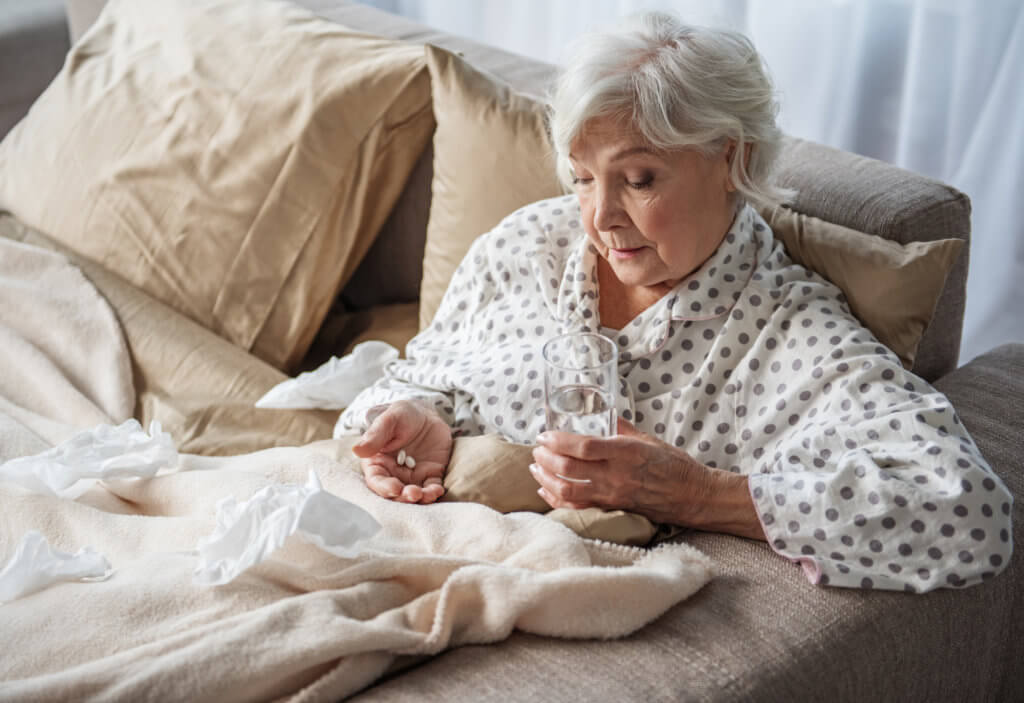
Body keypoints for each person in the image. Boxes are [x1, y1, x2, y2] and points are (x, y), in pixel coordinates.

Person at [337, 11, 1012, 592]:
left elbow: (971, 514)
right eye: (582, 178)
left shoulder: (788, 336)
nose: (600, 217)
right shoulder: (525, 247)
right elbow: (418, 372)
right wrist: (416, 418)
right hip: (392, 545)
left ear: (730, 159)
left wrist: (702, 494)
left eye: (638, 179)